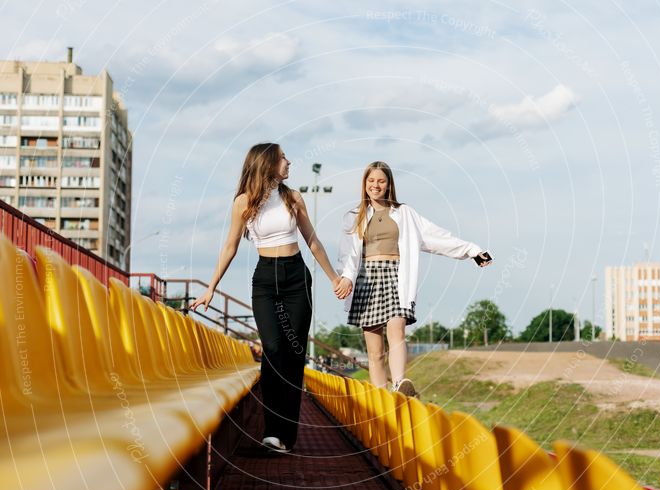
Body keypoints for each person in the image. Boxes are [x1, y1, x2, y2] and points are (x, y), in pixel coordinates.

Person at [190, 143, 348, 453]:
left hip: (296, 277)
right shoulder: (243, 202)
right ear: (268, 164)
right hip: (265, 280)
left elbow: (312, 241)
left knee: (293, 354)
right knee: (273, 349)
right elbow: (230, 246)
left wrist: (334, 278)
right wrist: (211, 287)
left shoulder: (293, 197)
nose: (289, 162)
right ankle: (272, 431)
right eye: (283, 158)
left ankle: (283, 436)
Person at [334, 161, 492, 397]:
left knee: (396, 330)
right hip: (366, 280)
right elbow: (347, 254)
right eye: (371, 180)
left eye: (381, 181)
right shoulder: (353, 216)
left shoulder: (404, 213)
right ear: (364, 183)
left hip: (396, 277)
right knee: (374, 350)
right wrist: (346, 277)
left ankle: (399, 385)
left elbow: (437, 237)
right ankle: (381, 397)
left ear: (389, 185)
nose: (375, 185)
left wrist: (472, 251)